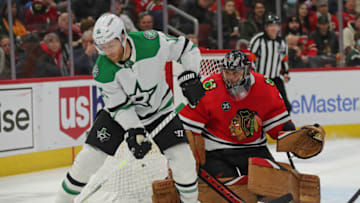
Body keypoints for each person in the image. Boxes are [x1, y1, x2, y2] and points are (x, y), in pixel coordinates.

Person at [55, 13, 204, 203]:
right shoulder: (102, 70)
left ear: (123, 37)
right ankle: (62, 199)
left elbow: (187, 49)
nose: (108, 52)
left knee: (183, 159)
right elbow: (119, 107)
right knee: (89, 156)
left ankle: (190, 202)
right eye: (102, 47)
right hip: (120, 115)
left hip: (160, 111)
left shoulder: (152, 42)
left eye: (111, 45)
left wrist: (191, 74)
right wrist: (135, 130)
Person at [179, 49, 295, 179]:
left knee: (272, 187)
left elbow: (276, 124)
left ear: (246, 71)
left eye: (235, 73)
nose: (230, 78)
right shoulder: (210, 87)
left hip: (254, 148)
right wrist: (185, 157)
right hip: (217, 150)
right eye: (227, 72)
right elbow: (188, 124)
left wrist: (289, 134)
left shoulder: (265, 87)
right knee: (232, 192)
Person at [249, 13, 292, 113]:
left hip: (275, 79)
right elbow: (251, 59)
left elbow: (284, 59)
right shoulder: (258, 40)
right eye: (271, 26)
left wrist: (285, 73)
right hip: (260, 79)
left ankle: (283, 127)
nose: (273, 28)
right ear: (266, 27)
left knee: (286, 106)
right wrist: (253, 77)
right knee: (259, 106)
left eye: (276, 26)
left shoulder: (281, 42)